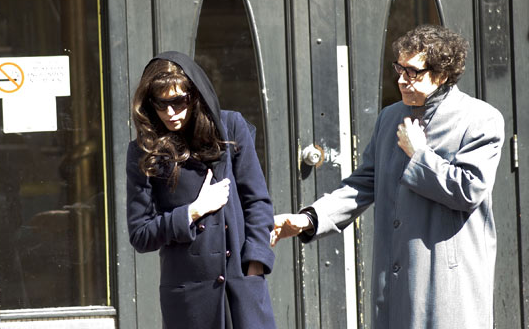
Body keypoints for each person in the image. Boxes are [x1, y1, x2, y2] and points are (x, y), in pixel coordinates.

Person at [272, 24, 505, 328]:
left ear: (443, 74)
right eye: (399, 69)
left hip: (447, 287)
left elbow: (469, 189)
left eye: (413, 72)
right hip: (393, 282)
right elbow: (364, 183)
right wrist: (310, 219)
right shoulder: (390, 117)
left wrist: (419, 154)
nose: (401, 80)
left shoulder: (480, 119)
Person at [126, 51, 276, 329]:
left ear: (194, 96)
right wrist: (193, 212)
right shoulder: (143, 151)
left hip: (242, 287)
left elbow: (257, 201)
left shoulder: (230, 127)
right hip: (189, 298)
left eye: (178, 102)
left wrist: (255, 266)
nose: (170, 113)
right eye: (160, 104)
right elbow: (140, 234)